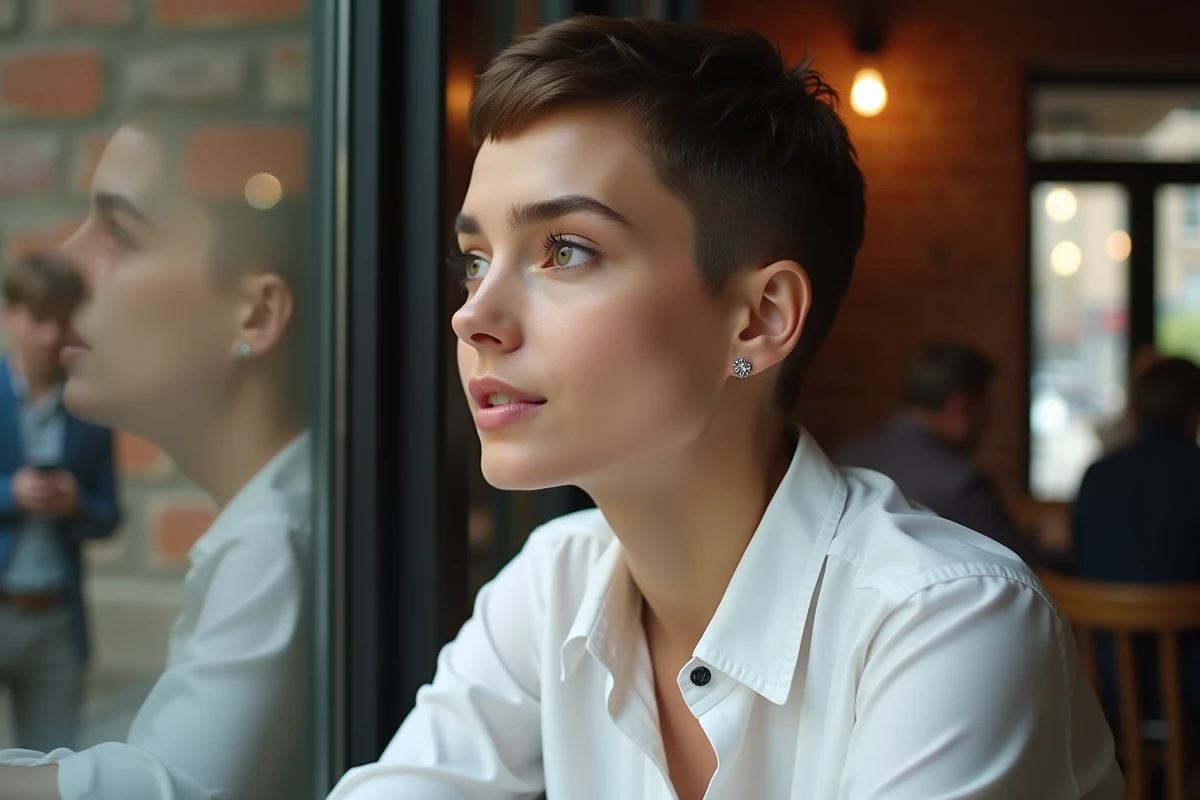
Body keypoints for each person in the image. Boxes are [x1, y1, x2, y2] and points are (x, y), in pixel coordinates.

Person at [328, 16, 1121, 800]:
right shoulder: (549, 588)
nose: (473, 316)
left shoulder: (945, 625)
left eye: (565, 249)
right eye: (474, 260)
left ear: (760, 318)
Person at [0, 121, 312, 800]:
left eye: (122, 234)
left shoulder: (277, 539)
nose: (67, 263)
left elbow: (171, 787)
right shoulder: (286, 511)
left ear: (256, 315)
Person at [0, 252, 120, 753]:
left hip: (55, 618)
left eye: (61, 320)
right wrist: (11, 493)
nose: (50, 337)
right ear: (11, 315)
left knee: (52, 764)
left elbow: (111, 515)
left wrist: (75, 505)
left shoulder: (90, 405)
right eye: (38, 319)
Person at [834, 341, 1046, 564]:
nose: (990, 422)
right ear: (960, 406)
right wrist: (1046, 540)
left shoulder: (845, 456)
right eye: (986, 408)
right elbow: (1022, 568)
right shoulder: (963, 483)